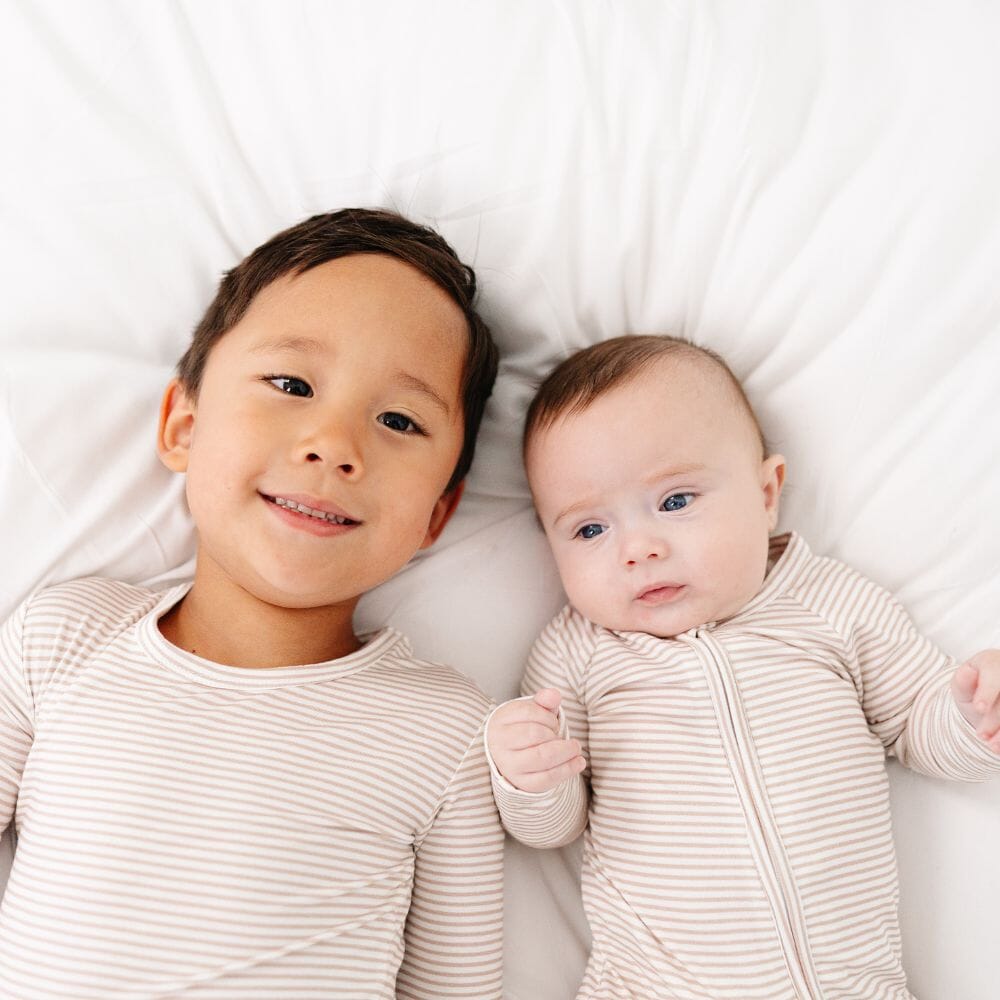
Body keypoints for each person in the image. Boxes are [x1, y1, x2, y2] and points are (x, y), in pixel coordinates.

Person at [0, 209, 504, 999]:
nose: (334, 444)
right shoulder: (61, 643)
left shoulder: (453, 731)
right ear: (184, 425)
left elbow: (456, 986)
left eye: (399, 420)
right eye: (292, 385)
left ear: (436, 514)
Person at [486, 334, 1000, 999]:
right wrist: (528, 777)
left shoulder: (831, 603)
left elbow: (919, 728)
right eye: (590, 529)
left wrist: (973, 713)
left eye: (675, 501)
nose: (638, 548)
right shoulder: (577, 654)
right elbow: (555, 827)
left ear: (765, 493)